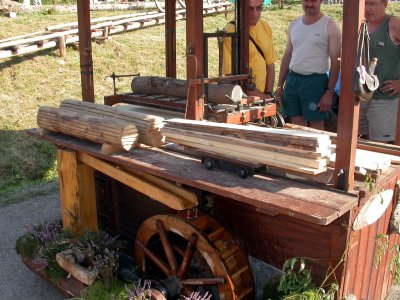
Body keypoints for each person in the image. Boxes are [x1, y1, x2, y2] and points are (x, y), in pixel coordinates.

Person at [274, 0, 341, 130]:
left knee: (316, 126)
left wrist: (329, 92)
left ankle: (315, 150)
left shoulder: (330, 25)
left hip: (315, 82)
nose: (309, 4)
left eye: (313, 0)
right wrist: (279, 85)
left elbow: (336, 61)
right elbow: (287, 55)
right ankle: (300, 149)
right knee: (295, 124)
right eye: (306, 0)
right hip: (293, 80)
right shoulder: (294, 25)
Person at [358, 0, 400, 142]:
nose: (368, 8)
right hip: (360, 96)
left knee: (380, 147)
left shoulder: (393, 24)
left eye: (373, 3)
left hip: (385, 98)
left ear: (385, 4)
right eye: (365, 4)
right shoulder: (360, 24)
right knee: (359, 141)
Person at [223, 0, 276, 100]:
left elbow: (270, 65)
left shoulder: (265, 27)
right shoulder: (231, 30)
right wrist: (257, 95)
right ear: (240, 8)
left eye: (259, 8)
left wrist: (268, 94)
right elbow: (230, 74)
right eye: (250, 9)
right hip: (244, 98)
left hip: (264, 95)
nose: (255, 13)